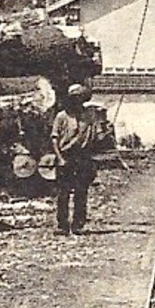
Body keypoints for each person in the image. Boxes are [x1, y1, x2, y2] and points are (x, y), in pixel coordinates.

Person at [50, 83, 100, 235]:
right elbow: (54, 139)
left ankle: (78, 224)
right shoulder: (62, 116)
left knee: (81, 192)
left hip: (82, 157)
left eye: (79, 99)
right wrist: (60, 158)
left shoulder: (89, 116)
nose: (76, 102)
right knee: (63, 194)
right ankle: (62, 225)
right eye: (74, 99)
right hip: (65, 157)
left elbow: (95, 137)